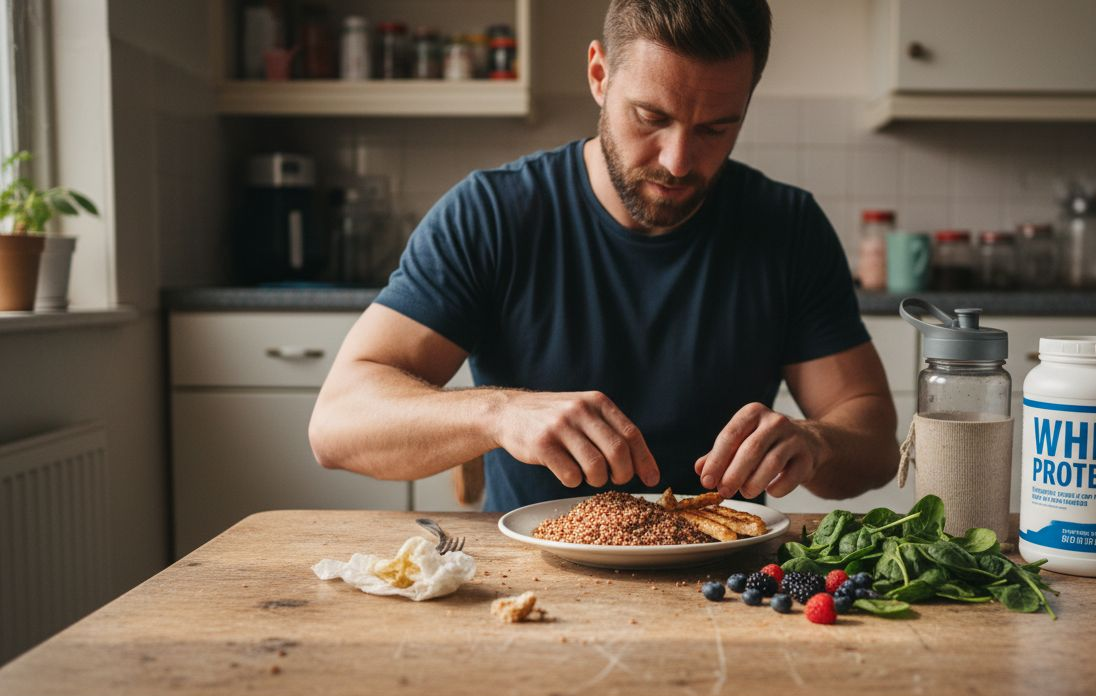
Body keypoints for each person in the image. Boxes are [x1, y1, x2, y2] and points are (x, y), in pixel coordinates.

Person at [309, 0, 899, 512]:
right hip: (533, 583)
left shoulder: (787, 228)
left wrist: (817, 442)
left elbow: (871, 440)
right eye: (652, 117)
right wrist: (498, 414)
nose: (677, 160)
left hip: (730, 584)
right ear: (599, 74)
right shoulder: (492, 214)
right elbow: (337, 426)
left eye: (716, 128)